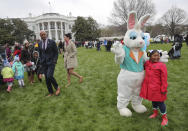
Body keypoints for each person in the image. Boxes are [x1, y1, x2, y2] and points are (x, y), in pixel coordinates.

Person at [140, 50, 168, 126]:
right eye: (154, 55)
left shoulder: (162, 65)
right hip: (150, 88)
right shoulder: (147, 63)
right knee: (153, 100)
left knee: (160, 102)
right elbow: (141, 67)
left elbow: (164, 78)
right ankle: (155, 113)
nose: (156, 57)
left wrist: (164, 88)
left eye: (158, 55)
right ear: (150, 56)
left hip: (158, 88)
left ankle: (164, 118)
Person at [38, 31, 60, 96]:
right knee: (47, 78)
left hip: (51, 62)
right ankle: (51, 92)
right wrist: (41, 61)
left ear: (46, 34)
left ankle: (57, 87)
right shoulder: (39, 44)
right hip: (44, 63)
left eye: (44, 34)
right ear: (40, 36)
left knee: (49, 76)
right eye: (42, 35)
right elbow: (40, 53)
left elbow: (56, 52)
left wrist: (55, 60)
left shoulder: (52, 42)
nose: (43, 36)